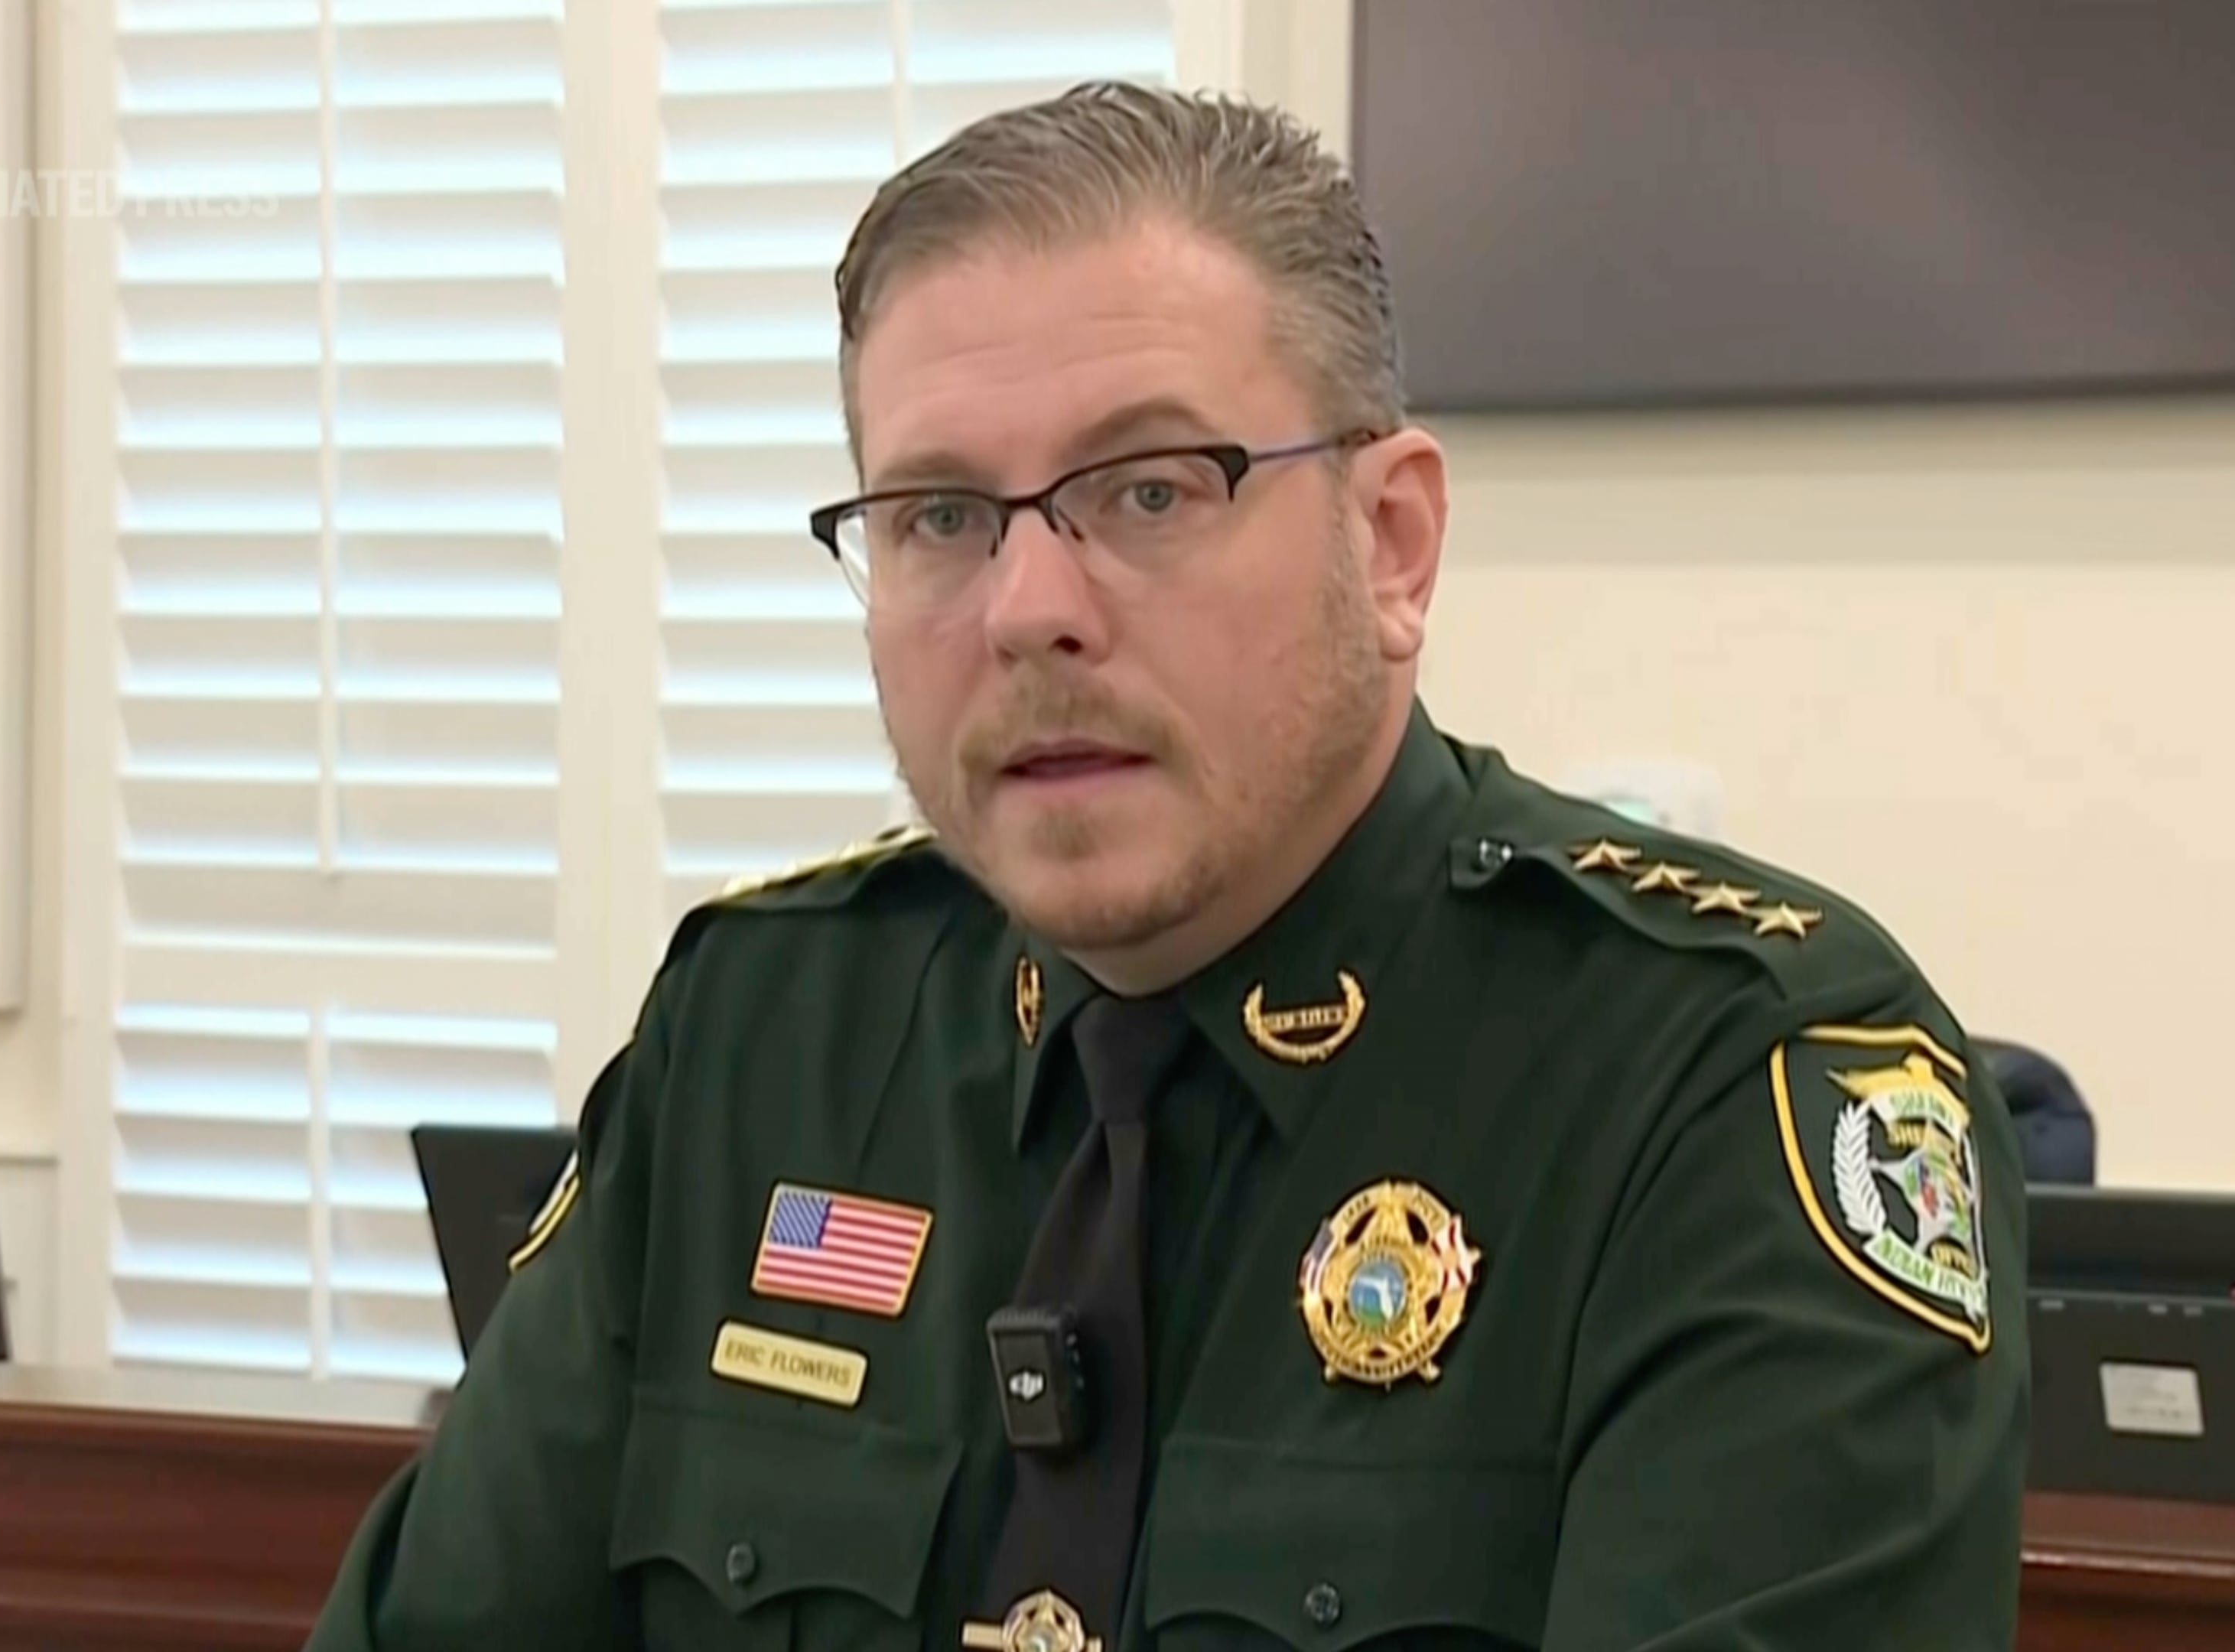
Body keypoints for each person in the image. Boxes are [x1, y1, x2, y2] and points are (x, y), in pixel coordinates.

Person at [306, 80, 2028, 1652]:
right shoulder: (762, 1033)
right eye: (938, 518)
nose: (1028, 607)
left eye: (1147, 492)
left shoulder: (1726, 1082)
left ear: (1395, 541)